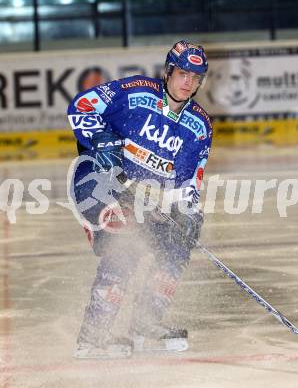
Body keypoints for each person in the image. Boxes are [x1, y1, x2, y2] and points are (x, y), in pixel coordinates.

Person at [67, 40, 212, 359]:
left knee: (180, 240)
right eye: (183, 74)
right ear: (168, 71)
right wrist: (99, 140)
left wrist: (185, 213)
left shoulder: (199, 127)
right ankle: (92, 337)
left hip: (146, 199)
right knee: (125, 246)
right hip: (99, 186)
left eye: (195, 77)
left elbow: (187, 182)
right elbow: (81, 106)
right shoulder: (135, 93)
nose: (188, 82)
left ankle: (145, 323)